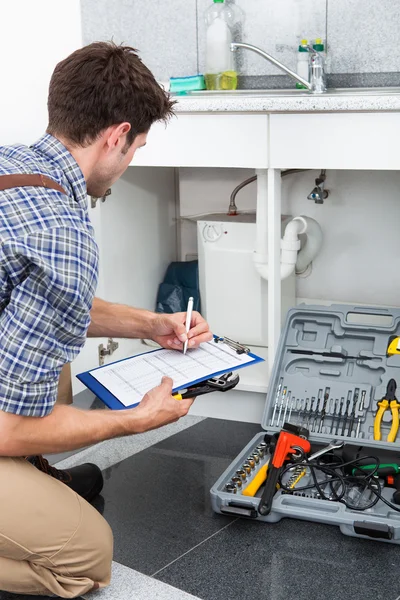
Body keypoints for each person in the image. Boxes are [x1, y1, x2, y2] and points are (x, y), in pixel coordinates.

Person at [0, 41, 212, 597]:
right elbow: (7, 428)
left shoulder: (13, 163)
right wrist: (132, 420)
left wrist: (149, 324)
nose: (131, 159)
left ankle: (27, 483)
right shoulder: (64, 237)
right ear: (116, 136)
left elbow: (40, 302)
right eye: (137, 146)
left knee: (52, 369)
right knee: (87, 557)